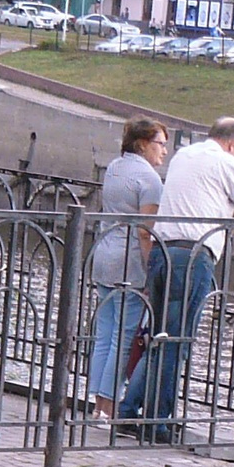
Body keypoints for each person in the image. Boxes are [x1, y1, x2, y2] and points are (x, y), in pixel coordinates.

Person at [121, 116, 234, 443]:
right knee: (177, 342)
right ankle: (158, 424)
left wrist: (227, 203)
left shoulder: (185, 155)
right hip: (191, 258)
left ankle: (128, 410)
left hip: (163, 251)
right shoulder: (224, 161)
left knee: (160, 338)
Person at [87, 117, 169, 417]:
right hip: (129, 263)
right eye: (160, 144)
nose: (163, 151)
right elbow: (146, 231)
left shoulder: (115, 167)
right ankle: (109, 408)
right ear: (142, 144)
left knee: (104, 334)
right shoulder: (149, 180)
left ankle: (96, 405)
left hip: (104, 254)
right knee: (122, 338)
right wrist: (150, 271)